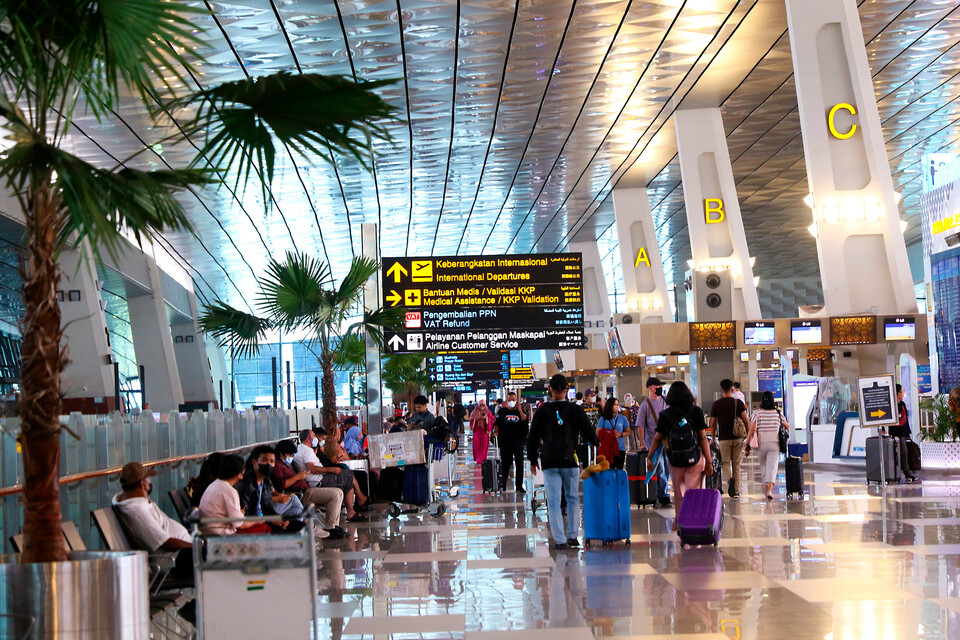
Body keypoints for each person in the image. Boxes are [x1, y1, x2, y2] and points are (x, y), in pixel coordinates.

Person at [528, 374, 599, 550]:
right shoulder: (574, 410)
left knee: (553, 500)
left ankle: (559, 540)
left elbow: (533, 437)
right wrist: (596, 442)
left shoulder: (542, 411)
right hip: (570, 459)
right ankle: (573, 536)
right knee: (573, 497)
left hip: (550, 460)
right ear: (567, 390)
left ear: (550, 390)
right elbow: (588, 431)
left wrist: (532, 459)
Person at [646, 381, 713, 529]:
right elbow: (702, 438)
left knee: (679, 493)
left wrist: (649, 457)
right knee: (694, 491)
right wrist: (708, 461)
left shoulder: (665, 415)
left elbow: (657, 439)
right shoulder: (696, 411)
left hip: (675, 458)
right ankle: (694, 521)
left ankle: (680, 521)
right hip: (695, 458)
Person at [273, 440, 346, 539]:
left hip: (306, 488)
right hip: (302, 492)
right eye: (290, 454)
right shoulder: (278, 465)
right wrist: (298, 477)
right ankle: (330, 528)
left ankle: (333, 526)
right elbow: (282, 485)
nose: (291, 457)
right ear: (281, 453)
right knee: (334, 495)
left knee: (339, 492)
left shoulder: (285, 464)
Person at [293, 429, 366, 522]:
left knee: (347, 479)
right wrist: (331, 469)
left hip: (316, 479)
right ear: (308, 438)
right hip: (319, 481)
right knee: (349, 474)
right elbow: (312, 469)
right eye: (313, 435)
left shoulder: (301, 449)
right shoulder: (306, 451)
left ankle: (352, 510)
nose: (316, 438)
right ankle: (357, 502)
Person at [236, 446, 305, 533]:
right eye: (264, 460)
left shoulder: (266, 482)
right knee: (282, 531)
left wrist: (279, 519)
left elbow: (268, 508)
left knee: (300, 526)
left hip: (264, 518)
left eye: (272, 461)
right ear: (254, 462)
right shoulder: (246, 484)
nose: (268, 464)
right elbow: (246, 514)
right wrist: (270, 521)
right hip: (254, 522)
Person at [198, 454, 270, 535]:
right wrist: (257, 521)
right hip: (221, 534)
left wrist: (240, 514)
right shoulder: (230, 491)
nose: (243, 476)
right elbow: (239, 525)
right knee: (265, 527)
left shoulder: (214, 484)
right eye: (242, 472)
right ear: (238, 474)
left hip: (207, 530)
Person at [709, 379, 752, 499]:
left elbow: (713, 423)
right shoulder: (738, 403)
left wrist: (713, 438)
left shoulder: (716, 404)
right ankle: (736, 492)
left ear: (721, 390)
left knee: (726, 463)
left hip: (723, 439)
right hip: (738, 437)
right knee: (736, 465)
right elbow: (746, 421)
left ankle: (729, 481)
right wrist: (749, 437)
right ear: (732, 389)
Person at [635, 377, 670, 507]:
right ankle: (662, 495)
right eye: (657, 387)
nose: (660, 389)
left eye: (661, 386)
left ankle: (664, 491)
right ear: (650, 388)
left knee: (667, 467)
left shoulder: (666, 401)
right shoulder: (645, 405)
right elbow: (640, 425)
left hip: (667, 440)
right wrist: (643, 442)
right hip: (653, 441)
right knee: (659, 467)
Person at [748, 391, 783, 499]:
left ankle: (766, 488)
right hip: (775, 442)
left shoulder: (757, 413)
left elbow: (753, 428)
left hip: (761, 442)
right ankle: (769, 491)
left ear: (762, 401)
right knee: (772, 467)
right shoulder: (778, 413)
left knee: (763, 466)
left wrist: (747, 441)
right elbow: (786, 425)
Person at [494, 391, 528, 492]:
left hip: (518, 442)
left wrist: (520, 409)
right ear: (506, 401)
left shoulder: (519, 412)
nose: (511, 402)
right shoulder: (502, 411)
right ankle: (503, 484)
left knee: (520, 465)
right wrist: (495, 432)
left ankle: (519, 486)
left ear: (516, 400)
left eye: (513, 400)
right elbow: (497, 423)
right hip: (505, 443)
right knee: (505, 464)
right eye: (509, 400)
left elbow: (524, 419)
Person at [890, 384, 919, 483]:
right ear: (898, 393)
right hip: (895, 433)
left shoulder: (902, 404)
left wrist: (908, 433)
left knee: (904, 453)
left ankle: (907, 474)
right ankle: (905, 475)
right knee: (902, 453)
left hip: (903, 433)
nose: (903, 393)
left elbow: (905, 420)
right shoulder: (892, 405)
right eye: (902, 391)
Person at [597, 397, 630, 470]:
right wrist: (609, 434)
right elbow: (598, 432)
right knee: (608, 470)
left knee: (619, 470)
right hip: (607, 449)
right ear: (610, 406)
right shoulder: (603, 418)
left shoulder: (622, 418)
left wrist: (620, 434)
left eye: (618, 404)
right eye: (615, 405)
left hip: (620, 449)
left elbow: (628, 431)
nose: (617, 406)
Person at [579, 389, 601, 467]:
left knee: (598, 460)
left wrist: (601, 402)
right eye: (592, 395)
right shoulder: (581, 407)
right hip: (584, 439)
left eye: (595, 395)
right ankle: (587, 477)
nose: (594, 397)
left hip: (596, 437)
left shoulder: (597, 406)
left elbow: (605, 414)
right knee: (586, 461)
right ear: (587, 397)